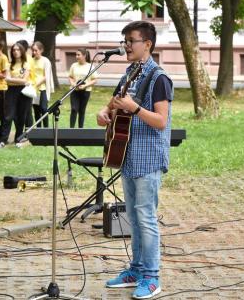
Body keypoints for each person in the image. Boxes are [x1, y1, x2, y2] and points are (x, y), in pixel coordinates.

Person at [98, 21, 173, 299]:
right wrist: (105, 111)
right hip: (128, 155)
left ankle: (152, 277)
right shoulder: (131, 72)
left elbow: (162, 121)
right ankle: (136, 269)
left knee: (146, 217)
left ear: (148, 44)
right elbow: (115, 101)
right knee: (133, 217)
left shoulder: (159, 78)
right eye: (125, 40)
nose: (126, 45)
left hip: (149, 158)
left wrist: (135, 108)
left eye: (131, 40)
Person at [6, 43, 32, 145]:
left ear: (22, 51)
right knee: (9, 116)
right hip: (11, 91)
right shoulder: (9, 64)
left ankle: (18, 139)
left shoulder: (26, 64)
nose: (16, 52)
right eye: (14, 50)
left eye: (18, 50)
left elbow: (24, 81)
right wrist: (18, 80)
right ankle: (3, 140)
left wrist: (12, 79)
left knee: (22, 116)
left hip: (23, 91)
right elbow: (7, 81)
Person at [68, 48, 97, 128]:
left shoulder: (90, 66)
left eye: (78, 55)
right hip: (74, 91)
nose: (76, 56)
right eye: (76, 55)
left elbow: (95, 80)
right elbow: (70, 77)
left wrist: (85, 85)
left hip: (85, 91)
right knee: (74, 109)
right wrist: (73, 84)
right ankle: (71, 130)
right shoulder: (73, 65)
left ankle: (80, 130)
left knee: (82, 111)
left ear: (84, 56)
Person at [30, 41, 54, 128]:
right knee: (36, 111)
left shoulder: (45, 61)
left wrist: (36, 84)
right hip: (33, 89)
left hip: (42, 88)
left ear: (41, 50)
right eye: (33, 50)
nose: (34, 52)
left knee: (44, 109)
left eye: (36, 50)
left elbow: (46, 76)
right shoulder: (31, 61)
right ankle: (39, 130)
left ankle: (46, 129)